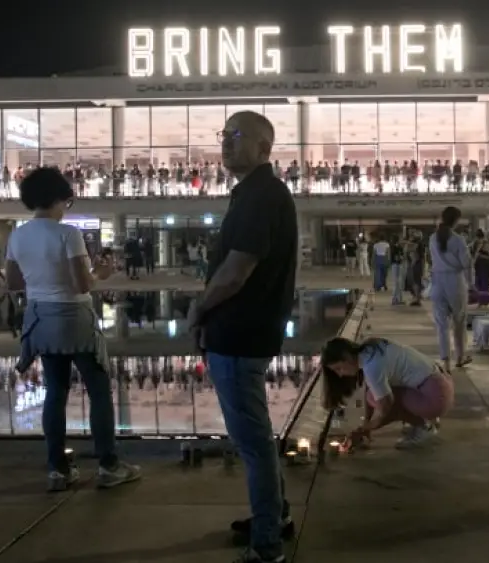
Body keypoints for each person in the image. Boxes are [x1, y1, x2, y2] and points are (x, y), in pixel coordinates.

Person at [187, 111, 297, 563]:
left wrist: (199, 307)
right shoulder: (256, 193)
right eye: (224, 135)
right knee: (256, 437)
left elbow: (236, 272)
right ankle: (276, 515)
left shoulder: (260, 195)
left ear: (264, 146)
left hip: (239, 334)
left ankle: (267, 544)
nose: (227, 143)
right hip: (245, 332)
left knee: (252, 442)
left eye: (238, 135)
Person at [4, 167, 140, 493]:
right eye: (68, 200)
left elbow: (12, 282)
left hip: (40, 319)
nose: (68, 206)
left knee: (55, 392)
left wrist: (41, 280)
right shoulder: (67, 234)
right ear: (58, 198)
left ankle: (58, 470)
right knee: (98, 389)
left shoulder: (18, 235)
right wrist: (103, 272)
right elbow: (83, 283)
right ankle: (108, 465)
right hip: (74, 317)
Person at [321, 337, 454, 449]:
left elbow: (387, 409)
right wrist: (366, 424)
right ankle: (423, 419)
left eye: (338, 368)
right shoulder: (370, 350)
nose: (339, 374)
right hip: (441, 384)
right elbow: (370, 388)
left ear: (346, 357)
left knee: (383, 399)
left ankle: (424, 427)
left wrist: (366, 429)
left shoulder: (371, 367)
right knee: (373, 395)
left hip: (436, 397)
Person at [428, 206, 472, 370]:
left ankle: (445, 361)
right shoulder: (458, 239)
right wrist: (471, 284)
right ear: (456, 221)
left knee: (441, 324)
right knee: (459, 321)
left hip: (437, 281)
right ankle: (460, 357)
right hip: (455, 280)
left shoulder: (433, 238)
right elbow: (466, 264)